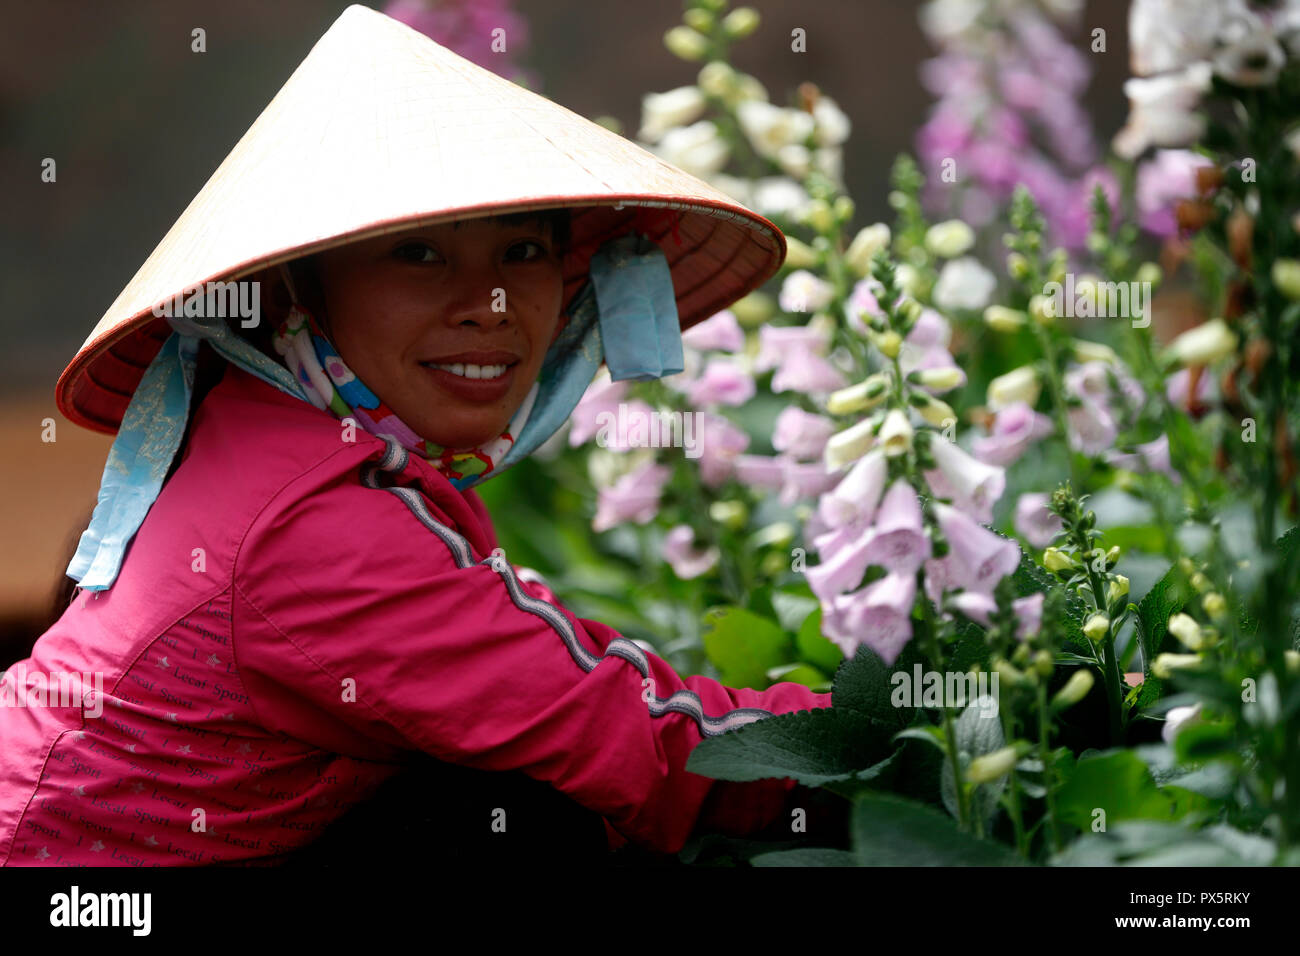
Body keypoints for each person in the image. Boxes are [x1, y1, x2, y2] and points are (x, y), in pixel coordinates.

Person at [0, 5, 833, 867]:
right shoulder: (312, 521)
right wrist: (872, 741)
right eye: (421, 256)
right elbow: (630, 737)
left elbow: (531, 665)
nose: (492, 305)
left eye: (521, 252)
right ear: (298, 290)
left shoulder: (274, 432)